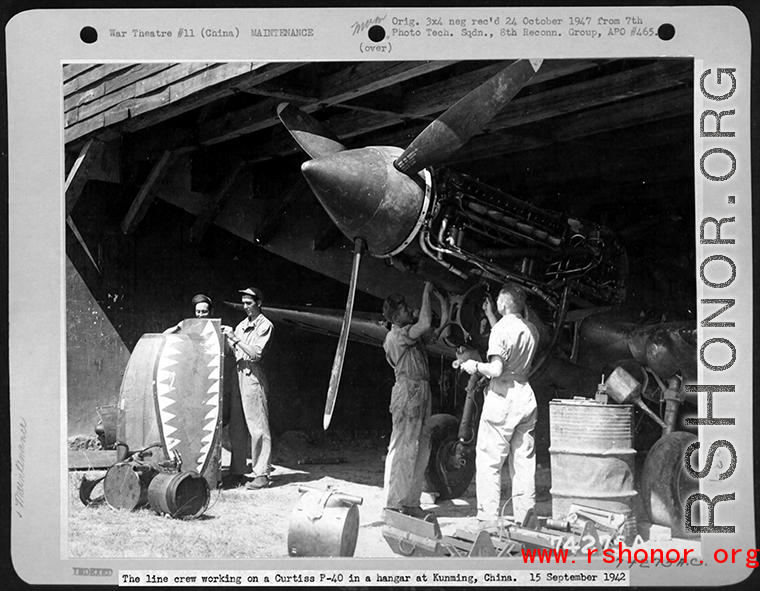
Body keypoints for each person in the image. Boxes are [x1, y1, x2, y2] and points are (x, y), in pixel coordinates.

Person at [459, 283, 540, 526]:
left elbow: (496, 368)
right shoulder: (531, 330)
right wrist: (493, 318)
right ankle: (526, 519)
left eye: (497, 302)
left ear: (503, 304)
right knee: (524, 462)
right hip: (525, 395)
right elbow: (510, 340)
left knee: (489, 459)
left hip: (502, 396)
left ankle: (488, 518)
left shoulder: (501, 330)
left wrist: (473, 365)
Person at [381, 281, 436, 519]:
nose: (408, 311)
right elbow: (424, 323)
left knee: (421, 447)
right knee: (403, 447)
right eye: (404, 310)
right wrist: (426, 291)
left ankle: (411, 501)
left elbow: (428, 330)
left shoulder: (408, 333)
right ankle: (393, 504)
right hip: (407, 389)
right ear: (395, 317)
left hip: (421, 389)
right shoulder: (397, 336)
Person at [221, 287, 274, 490]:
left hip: (253, 376)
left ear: (258, 303)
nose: (245, 307)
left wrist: (234, 338)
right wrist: (225, 338)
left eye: (249, 303)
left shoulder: (265, 325)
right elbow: (232, 351)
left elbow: (255, 353)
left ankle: (262, 473)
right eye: (243, 303)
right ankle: (238, 471)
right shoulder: (242, 325)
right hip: (238, 375)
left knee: (258, 426)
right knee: (237, 426)